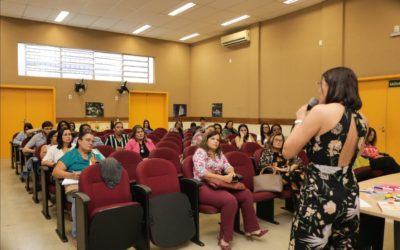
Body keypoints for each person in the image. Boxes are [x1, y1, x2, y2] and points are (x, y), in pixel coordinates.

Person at [283, 67, 368, 249]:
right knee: (343, 244)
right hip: (349, 190)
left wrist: (300, 119)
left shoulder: (321, 112)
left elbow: (288, 151)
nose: (318, 89)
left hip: (320, 191)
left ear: (332, 86)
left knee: (308, 244)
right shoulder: (362, 119)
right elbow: (356, 155)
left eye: (321, 84)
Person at [193, 131, 267, 250]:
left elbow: (227, 166)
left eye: (217, 140)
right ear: (206, 140)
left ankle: (251, 229)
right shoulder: (200, 152)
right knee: (230, 200)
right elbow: (202, 173)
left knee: (246, 193)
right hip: (202, 186)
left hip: (218, 184)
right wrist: (223, 177)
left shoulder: (219, 153)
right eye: (213, 139)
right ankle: (224, 237)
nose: (216, 141)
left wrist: (231, 173)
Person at [52, 131, 104, 238]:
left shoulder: (95, 154)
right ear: (79, 141)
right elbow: (55, 172)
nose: (91, 143)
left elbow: (107, 166)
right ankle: (79, 234)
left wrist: (96, 166)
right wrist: (72, 175)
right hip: (76, 188)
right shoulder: (71, 155)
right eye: (88, 140)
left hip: (94, 186)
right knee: (80, 199)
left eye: (92, 141)